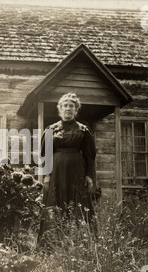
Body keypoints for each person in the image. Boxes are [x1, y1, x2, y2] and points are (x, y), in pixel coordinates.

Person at [38, 92, 97, 244]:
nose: (68, 109)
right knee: (54, 202)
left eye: (71, 106)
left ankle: (81, 241)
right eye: (65, 106)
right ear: (60, 109)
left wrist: (89, 175)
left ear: (76, 109)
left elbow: (90, 155)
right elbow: (45, 155)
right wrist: (46, 174)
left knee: (77, 201)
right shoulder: (51, 129)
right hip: (56, 172)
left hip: (77, 171)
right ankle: (52, 242)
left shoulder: (83, 130)